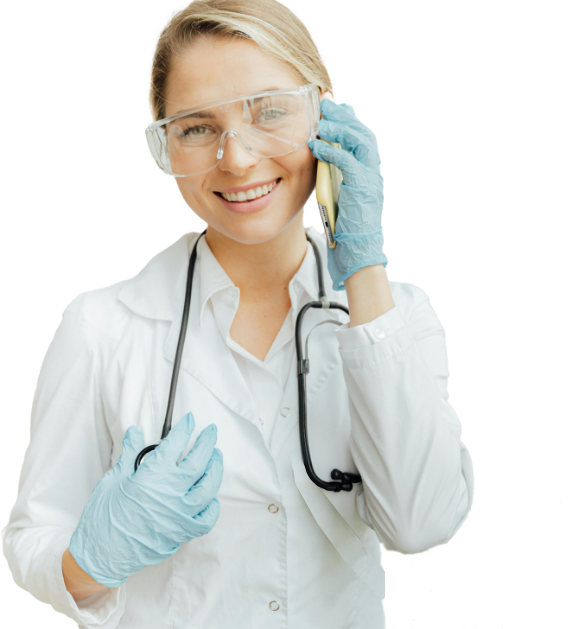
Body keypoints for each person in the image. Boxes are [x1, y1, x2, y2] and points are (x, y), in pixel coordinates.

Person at [0, 1, 475, 627]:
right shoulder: (102, 327)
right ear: (164, 142)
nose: (239, 159)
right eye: (197, 127)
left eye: (269, 111)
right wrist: (94, 557)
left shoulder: (393, 316)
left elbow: (420, 526)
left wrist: (364, 269)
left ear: (325, 111)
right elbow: (32, 541)